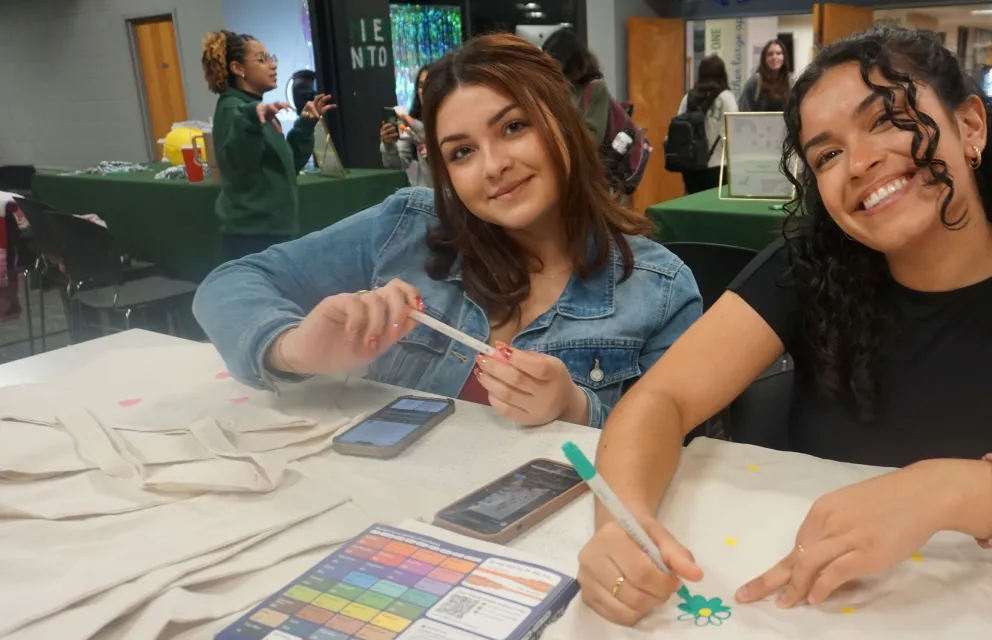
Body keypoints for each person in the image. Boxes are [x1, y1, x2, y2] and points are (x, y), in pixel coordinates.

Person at [575, 27, 992, 626]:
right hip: (816, 615)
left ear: (969, 127)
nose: (858, 163)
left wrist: (949, 490)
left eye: (887, 119)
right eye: (827, 155)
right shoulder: (811, 267)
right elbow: (662, 398)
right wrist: (620, 523)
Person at [194, 33, 701, 430]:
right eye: (462, 152)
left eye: (514, 127)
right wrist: (292, 348)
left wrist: (575, 408)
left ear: (565, 123)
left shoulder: (657, 289)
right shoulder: (408, 228)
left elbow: (677, 450)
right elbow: (229, 283)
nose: (493, 166)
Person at [201, 31, 337, 262]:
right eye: (262, 59)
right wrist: (251, 118)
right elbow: (240, 164)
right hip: (252, 239)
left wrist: (305, 124)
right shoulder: (234, 109)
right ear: (238, 68)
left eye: (271, 58)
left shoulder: (257, 111)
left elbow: (287, 164)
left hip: (272, 234)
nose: (273, 65)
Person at [675, 55, 737, 194]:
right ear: (722, 74)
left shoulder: (688, 98)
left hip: (691, 168)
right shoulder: (727, 98)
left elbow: (679, 128)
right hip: (718, 166)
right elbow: (733, 133)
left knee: (694, 206)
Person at [541, 29, 611, 147]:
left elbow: (593, 139)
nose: (551, 71)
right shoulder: (561, 89)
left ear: (572, 64)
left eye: (555, 65)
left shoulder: (596, 89)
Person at [380, 63, 433, 188]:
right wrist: (388, 145)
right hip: (424, 194)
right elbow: (397, 165)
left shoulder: (451, 119)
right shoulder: (410, 122)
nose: (424, 91)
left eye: (429, 85)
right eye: (421, 86)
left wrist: (413, 124)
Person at [738, 39, 793, 112]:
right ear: (764, 59)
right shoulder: (755, 81)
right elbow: (743, 110)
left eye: (778, 53)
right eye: (770, 54)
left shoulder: (790, 81)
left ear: (784, 57)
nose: (774, 57)